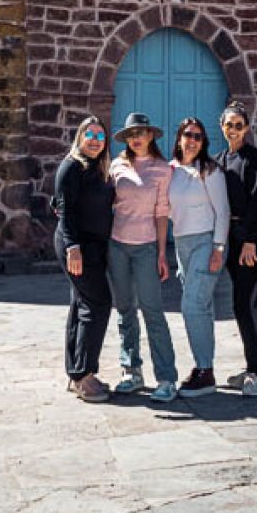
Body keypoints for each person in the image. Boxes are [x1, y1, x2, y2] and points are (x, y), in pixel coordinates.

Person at [107, 111, 178, 401]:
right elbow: (104, 203)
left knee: (153, 311)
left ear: (150, 136)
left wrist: (162, 252)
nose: (136, 139)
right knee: (125, 309)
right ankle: (131, 371)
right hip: (116, 246)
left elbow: (162, 213)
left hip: (147, 247)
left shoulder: (163, 169)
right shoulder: (116, 166)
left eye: (141, 133)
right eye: (131, 135)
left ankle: (166, 378)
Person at [168, 117, 230, 397]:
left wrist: (218, 248)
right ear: (179, 138)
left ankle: (205, 372)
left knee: (192, 305)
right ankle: (205, 367)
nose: (192, 140)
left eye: (198, 137)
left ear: (203, 142)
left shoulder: (210, 171)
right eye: (187, 135)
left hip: (207, 242)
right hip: (182, 244)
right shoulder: (171, 171)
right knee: (201, 306)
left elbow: (223, 212)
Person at [54, 115, 114, 402]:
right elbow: (65, 212)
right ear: (79, 137)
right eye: (89, 135)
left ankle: (76, 373)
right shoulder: (71, 167)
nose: (94, 141)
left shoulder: (98, 169)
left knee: (81, 305)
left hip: (94, 246)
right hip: (77, 245)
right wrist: (72, 247)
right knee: (98, 303)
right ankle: (84, 375)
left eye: (100, 137)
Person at [216, 100, 257, 396]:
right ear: (222, 127)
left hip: (251, 238)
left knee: (243, 304)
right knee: (251, 304)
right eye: (229, 125)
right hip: (232, 236)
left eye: (239, 125)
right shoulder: (222, 158)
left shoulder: (253, 159)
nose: (234, 130)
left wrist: (250, 240)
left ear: (247, 128)